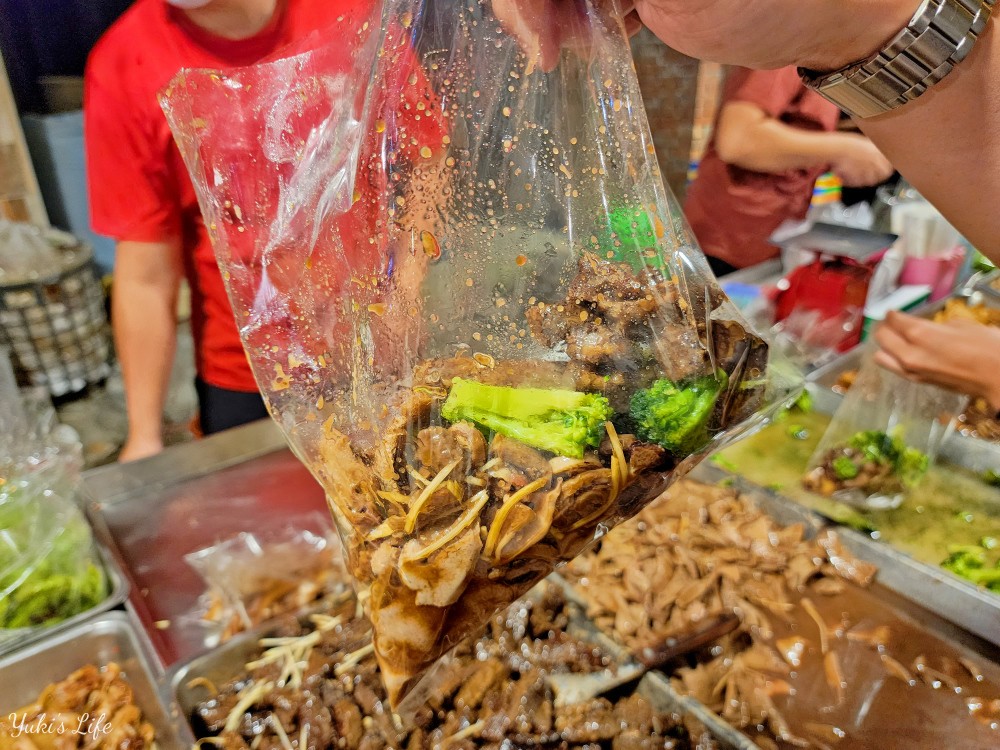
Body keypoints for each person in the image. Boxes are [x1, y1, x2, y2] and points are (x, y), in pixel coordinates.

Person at [86, 0, 444, 462]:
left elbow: (427, 159)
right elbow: (145, 274)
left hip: (381, 341)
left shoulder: (348, 8)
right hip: (248, 374)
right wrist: (144, 436)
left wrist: (407, 291)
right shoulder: (123, 62)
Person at [682, 67, 893, 277]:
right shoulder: (785, 52)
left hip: (773, 240)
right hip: (724, 242)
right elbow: (737, 141)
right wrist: (844, 150)